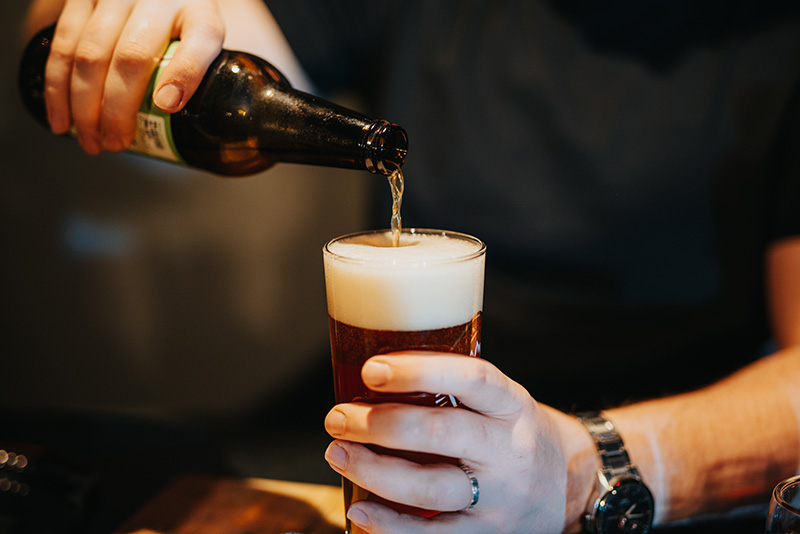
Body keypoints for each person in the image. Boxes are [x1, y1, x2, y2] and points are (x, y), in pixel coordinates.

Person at [22, 0, 800, 532]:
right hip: (365, 444)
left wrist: (581, 468)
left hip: (644, 471)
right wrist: (112, 25)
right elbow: (206, 32)